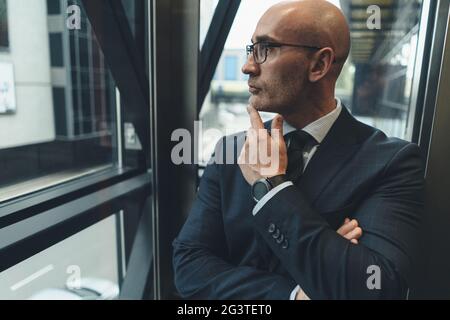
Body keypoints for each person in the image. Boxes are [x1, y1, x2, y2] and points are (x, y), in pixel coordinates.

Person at [173, 0, 424, 299]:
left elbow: (377, 285)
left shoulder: (391, 162)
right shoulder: (230, 149)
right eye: (251, 48)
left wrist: (273, 189)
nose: (248, 65)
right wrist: (295, 293)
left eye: (266, 48)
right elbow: (188, 265)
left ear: (319, 65)